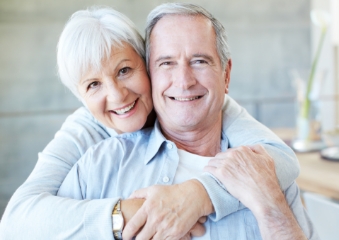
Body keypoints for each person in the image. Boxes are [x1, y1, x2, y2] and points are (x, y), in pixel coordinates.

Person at [0, 5, 301, 240]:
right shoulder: (90, 147)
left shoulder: (213, 109)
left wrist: (197, 195)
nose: (117, 95)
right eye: (93, 85)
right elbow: (16, 224)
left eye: (124, 70)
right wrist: (127, 215)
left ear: (144, 65)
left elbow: (282, 159)